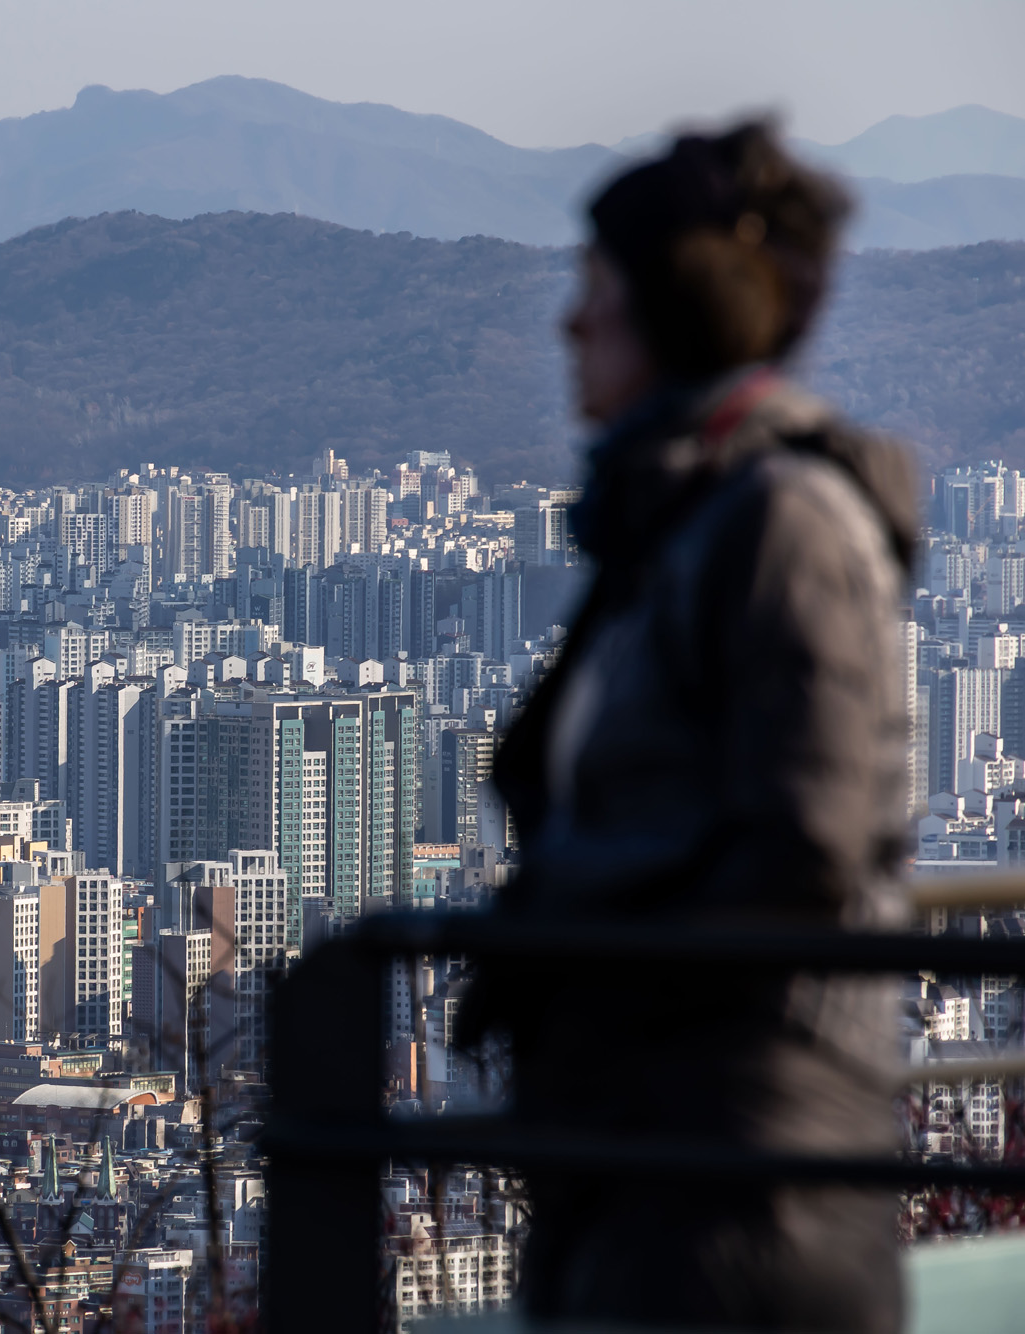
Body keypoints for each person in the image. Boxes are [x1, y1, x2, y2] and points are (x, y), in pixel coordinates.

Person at [460, 122, 919, 1329]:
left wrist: (594, 954)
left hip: (740, 1169)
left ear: (671, 305)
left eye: (594, 289)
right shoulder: (675, 522)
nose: (567, 325)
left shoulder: (786, 521)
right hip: (640, 1153)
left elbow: (804, 840)